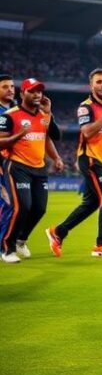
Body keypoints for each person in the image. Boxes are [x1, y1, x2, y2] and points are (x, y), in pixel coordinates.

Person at [46, 69, 102, 258]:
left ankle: (58, 232)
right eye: (99, 82)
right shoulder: (86, 106)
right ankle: (101, 246)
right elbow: (87, 132)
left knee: (91, 203)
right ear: (91, 85)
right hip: (90, 158)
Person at [0, 79, 64, 263]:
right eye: (32, 91)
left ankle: (21, 240)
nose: (37, 95)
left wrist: (57, 157)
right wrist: (20, 134)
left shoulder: (43, 115)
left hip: (39, 167)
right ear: (22, 94)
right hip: (17, 166)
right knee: (22, 207)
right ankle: (7, 249)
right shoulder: (10, 115)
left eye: (39, 92)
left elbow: (51, 138)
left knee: (40, 208)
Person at [0, 74, 17, 250]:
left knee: (14, 206)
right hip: (2, 168)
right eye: (5, 86)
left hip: (13, 167)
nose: (10, 89)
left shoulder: (17, 110)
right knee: (6, 205)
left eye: (12, 86)